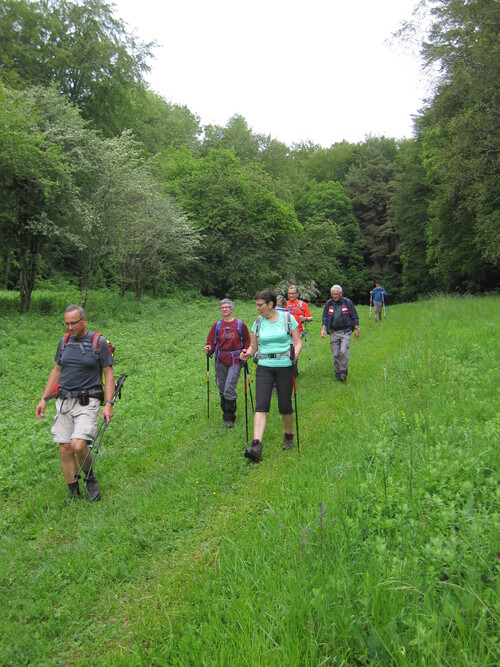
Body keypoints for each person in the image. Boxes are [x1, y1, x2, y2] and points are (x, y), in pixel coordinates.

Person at [35, 305, 115, 501]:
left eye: (74, 323)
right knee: (65, 448)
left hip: (87, 401)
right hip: (64, 401)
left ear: (84, 321)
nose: (70, 327)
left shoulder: (98, 342)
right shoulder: (64, 341)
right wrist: (44, 399)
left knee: (78, 446)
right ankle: (73, 493)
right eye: (67, 323)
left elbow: (108, 373)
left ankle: (89, 478)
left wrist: (109, 404)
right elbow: (57, 371)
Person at [240, 290, 302, 462]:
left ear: (270, 304)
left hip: (284, 366)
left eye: (260, 305)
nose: (257, 308)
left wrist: (295, 354)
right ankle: (256, 445)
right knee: (261, 405)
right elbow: (253, 346)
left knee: (284, 405)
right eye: (257, 305)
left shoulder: (288, 319)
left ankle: (288, 435)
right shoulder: (259, 322)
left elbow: (297, 342)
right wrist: (247, 354)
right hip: (264, 366)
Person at [204, 298, 251, 428]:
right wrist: (208, 348)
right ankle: (226, 410)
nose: (224, 309)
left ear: (232, 309)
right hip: (221, 360)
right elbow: (211, 342)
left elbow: (247, 341)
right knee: (221, 387)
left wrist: (245, 351)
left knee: (229, 387)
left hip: (235, 360)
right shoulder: (217, 326)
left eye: (226, 307)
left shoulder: (240, 325)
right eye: (222, 307)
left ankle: (229, 417)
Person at [320, 285, 359, 382]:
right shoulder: (329, 303)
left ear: (341, 294)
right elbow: (324, 317)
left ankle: (343, 373)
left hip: (346, 331)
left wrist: (357, 329)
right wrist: (323, 329)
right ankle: (337, 373)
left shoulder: (347, 302)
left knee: (343, 351)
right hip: (333, 331)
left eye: (336, 294)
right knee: (336, 353)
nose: (334, 296)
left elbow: (354, 316)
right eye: (332, 294)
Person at [286, 285, 312, 374]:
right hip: (286, 331)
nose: (291, 295)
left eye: (293, 293)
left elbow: (310, 318)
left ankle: (293, 370)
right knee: (286, 351)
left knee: (294, 351)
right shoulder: (284, 304)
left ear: (297, 294)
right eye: (289, 293)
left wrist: (305, 319)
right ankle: (290, 370)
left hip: (298, 331)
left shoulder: (302, 304)